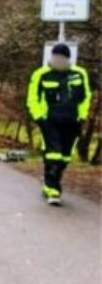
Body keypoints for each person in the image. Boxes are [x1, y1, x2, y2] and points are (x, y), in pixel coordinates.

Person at [26, 44, 92, 206]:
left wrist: (82, 116)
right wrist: (39, 118)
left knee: (64, 156)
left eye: (62, 58)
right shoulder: (41, 74)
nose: (58, 60)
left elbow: (86, 97)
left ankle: (51, 181)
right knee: (53, 153)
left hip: (72, 120)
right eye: (56, 57)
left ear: (68, 59)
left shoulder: (79, 74)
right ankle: (52, 189)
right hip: (50, 120)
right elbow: (32, 98)